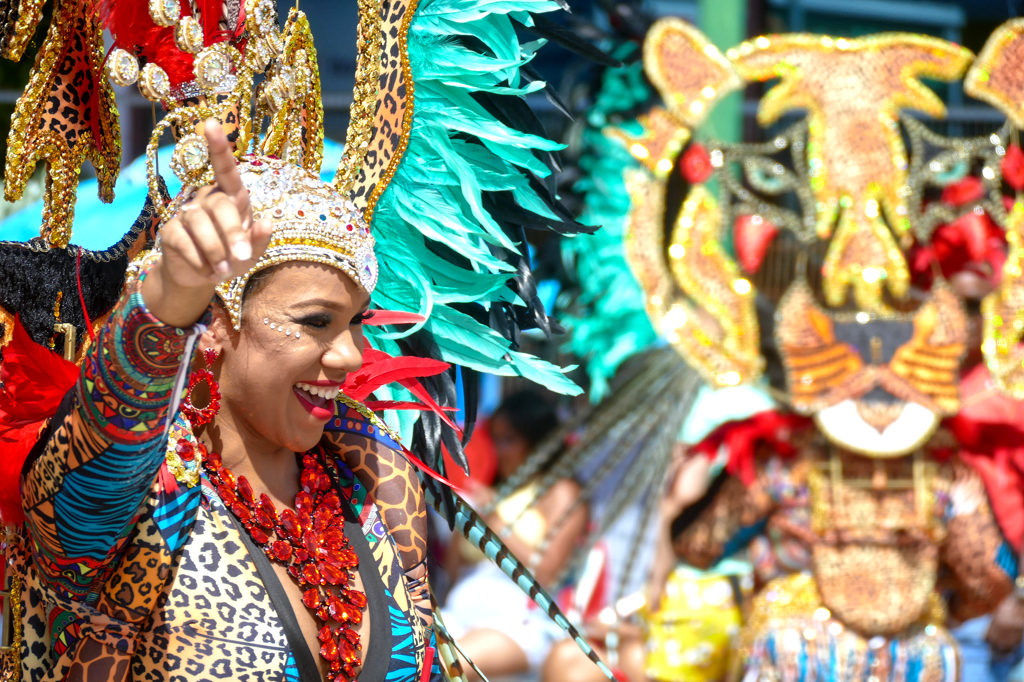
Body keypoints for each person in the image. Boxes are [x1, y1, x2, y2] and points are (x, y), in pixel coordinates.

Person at [442, 390, 589, 680]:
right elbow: (452, 569)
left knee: (445, 666)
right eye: (494, 438)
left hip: (519, 625)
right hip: (458, 615)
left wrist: (493, 520)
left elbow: (547, 573)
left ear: (535, 442)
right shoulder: (491, 489)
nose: (499, 449)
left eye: (509, 440)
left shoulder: (562, 491)